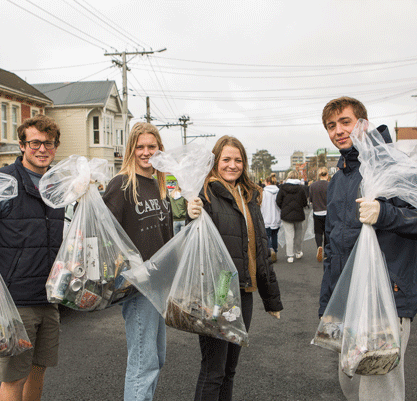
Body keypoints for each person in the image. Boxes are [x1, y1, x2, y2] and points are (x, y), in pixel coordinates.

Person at [318, 97, 417, 401]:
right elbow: (333, 245)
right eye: (331, 126)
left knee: (378, 389)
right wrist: (328, 306)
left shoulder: (394, 167)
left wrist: (384, 213)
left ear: (364, 124)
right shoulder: (338, 180)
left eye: (345, 122)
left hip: (387, 296)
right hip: (347, 301)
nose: (338, 131)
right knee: (349, 381)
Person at [0, 114, 65, 401]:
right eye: (35, 143)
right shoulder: (3, 181)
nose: (42, 149)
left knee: (38, 370)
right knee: (13, 376)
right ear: (22, 145)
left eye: (49, 143)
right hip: (15, 301)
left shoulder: (56, 185)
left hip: (48, 297)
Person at [186, 135, 283, 401]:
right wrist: (190, 213)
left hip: (244, 290)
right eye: (226, 159)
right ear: (215, 161)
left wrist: (271, 299)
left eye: (238, 160)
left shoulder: (248, 196)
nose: (232, 165)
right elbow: (192, 239)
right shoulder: (204, 193)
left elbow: (260, 250)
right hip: (217, 290)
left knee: (230, 369)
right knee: (214, 369)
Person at [103, 122, 173, 401]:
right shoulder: (121, 184)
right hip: (138, 286)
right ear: (131, 150)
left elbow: (167, 234)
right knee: (143, 363)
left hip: (159, 283)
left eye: (151, 147)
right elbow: (105, 232)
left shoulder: (161, 184)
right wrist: (130, 268)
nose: (146, 152)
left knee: (156, 358)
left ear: (159, 149)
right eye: (140, 147)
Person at [275, 170, 308, 263]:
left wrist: (284, 208)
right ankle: (298, 252)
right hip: (298, 214)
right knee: (298, 235)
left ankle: (290, 256)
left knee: (289, 236)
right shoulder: (300, 189)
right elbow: (305, 202)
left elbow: (278, 201)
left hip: (286, 215)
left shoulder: (283, 188)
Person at [309, 167, 329, 263]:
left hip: (317, 211)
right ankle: (325, 252)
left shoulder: (313, 186)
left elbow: (311, 199)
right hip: (327, 211)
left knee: (318, 232)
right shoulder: (330, 185)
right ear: (327, 174)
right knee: (327, 232)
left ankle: (319, 247)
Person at [260, 175, 281, 262]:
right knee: (274, 235)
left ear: (268, 182)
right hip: (276, 217)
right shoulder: (279, 191)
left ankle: (270, 250)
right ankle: (275, 251)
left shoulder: (263, 192)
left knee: (267, 236)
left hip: (266, 217)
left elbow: (261, 204)